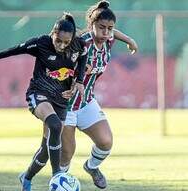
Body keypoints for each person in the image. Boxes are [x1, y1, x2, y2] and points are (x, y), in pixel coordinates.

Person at [0, 13, 87, 191]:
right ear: (53, 33)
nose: (61, 46)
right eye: (58, 40)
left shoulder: (78, 45)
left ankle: (26, 177)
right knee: (55, 125)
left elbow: (83, 58)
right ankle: (57, 175)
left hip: (60, 99)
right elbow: (15, 49)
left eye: (65, 43)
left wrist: (80, 81)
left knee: (45, 151)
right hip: (39, 93)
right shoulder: (41, 43)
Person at [60, 1, 138, 189]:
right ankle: (59, 182)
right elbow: (59, 62)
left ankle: (91, 167)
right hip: (66, 105)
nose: (106, 32)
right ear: (91, 26)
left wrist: (129, 40)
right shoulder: (80, 43)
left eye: (109, 28)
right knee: (67, 153)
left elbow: (114, 34)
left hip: (86, 102)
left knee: (106, 142)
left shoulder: (108, 39)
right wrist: (75, 70)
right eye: (101, 27)